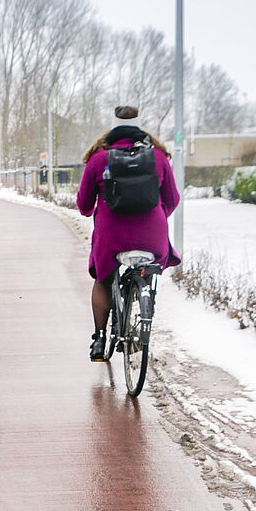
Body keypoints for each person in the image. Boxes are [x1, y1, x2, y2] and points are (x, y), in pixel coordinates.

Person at [76, 104, 180, 361]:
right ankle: (139, 312)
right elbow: (173, 199)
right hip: (151, 235)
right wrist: (156, 216)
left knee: (103, 279)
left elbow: (84, 206)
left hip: (112, 236)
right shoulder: (158, 157)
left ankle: (99, 339)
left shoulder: (98, 159)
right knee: (145, 272)